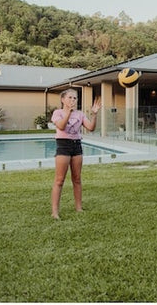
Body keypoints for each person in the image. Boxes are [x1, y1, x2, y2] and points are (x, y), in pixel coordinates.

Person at [50, 88, 102, 220]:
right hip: (63, 145)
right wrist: (68, 112)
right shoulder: (58, 112)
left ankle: (78, 208)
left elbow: (90, 128)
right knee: (59, 180)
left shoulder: (80, 114)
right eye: (70, 97)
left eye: (75, 98)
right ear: (63, 100)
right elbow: (61, 126)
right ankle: (55, 212)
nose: (73, 100)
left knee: (77, 179)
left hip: (76, 145)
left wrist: (94, 115)